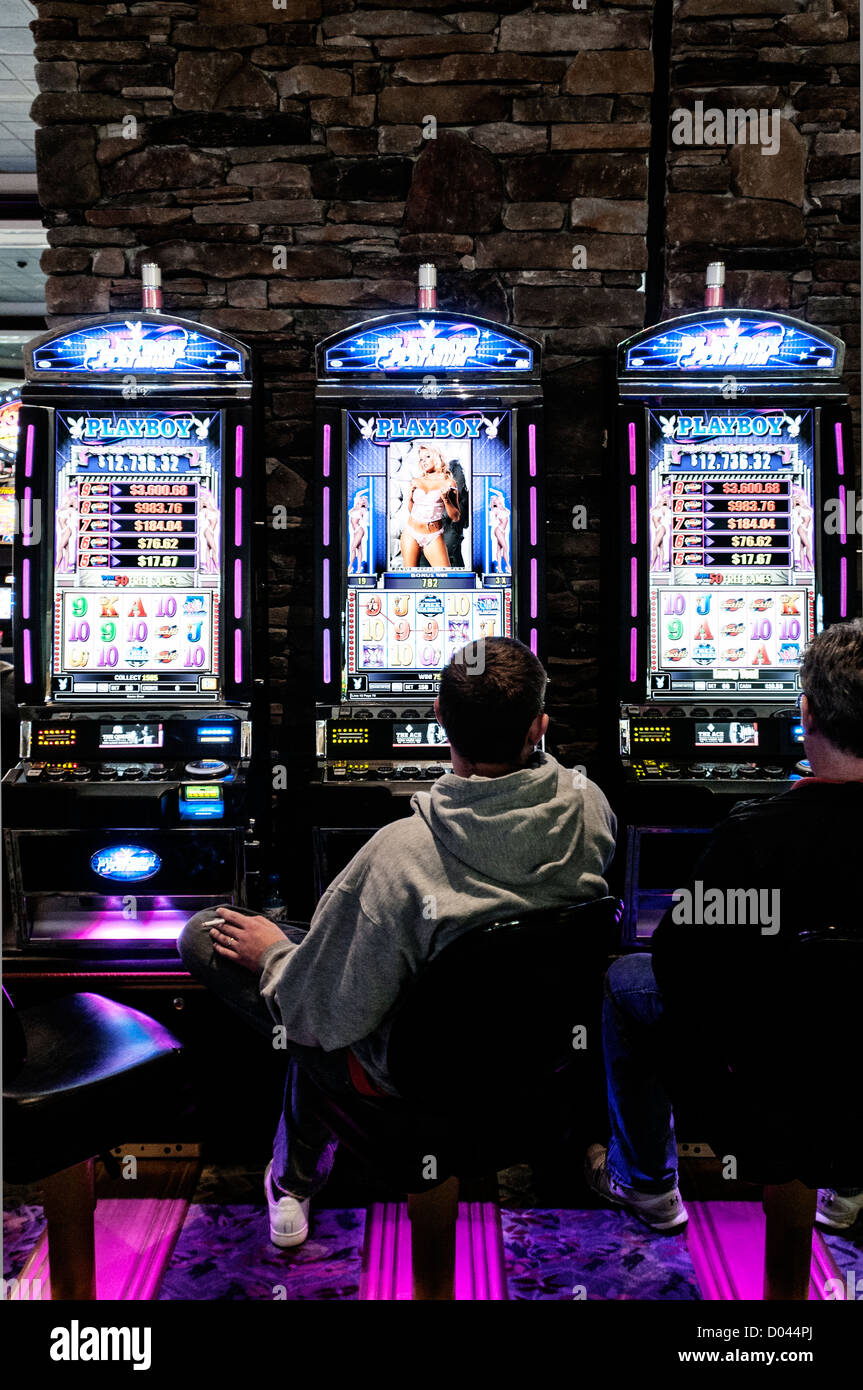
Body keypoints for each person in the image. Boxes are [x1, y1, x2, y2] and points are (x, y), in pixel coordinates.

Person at [180, 637, 617, 1247]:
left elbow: (318, 1017)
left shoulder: (398, 856)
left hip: (411, 1071)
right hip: (534, 1054)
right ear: (540, 725)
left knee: (213, 940)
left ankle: (295, 1177)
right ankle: (296, 1173)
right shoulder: (590, 806)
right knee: (339, 960)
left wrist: (275, 959)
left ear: (436, 717)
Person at [587, 619, 863, 1232]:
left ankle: (649, 1184)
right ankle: (846, 1180)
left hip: (755, 1085)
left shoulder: (754, 836)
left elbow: (675, 963)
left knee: (625, 979)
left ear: (806, 712)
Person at [399, 444, 461, 569]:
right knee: (409, 577)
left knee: (445, 576)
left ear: (437, 457)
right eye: (421, 459)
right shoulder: (416, 481)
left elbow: (455, 517)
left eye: (427, 457)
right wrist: (410, 497)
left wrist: (446, 499)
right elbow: (411, 510)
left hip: (433, 535)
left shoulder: (449, 482)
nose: (423, 462)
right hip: (410, 532)